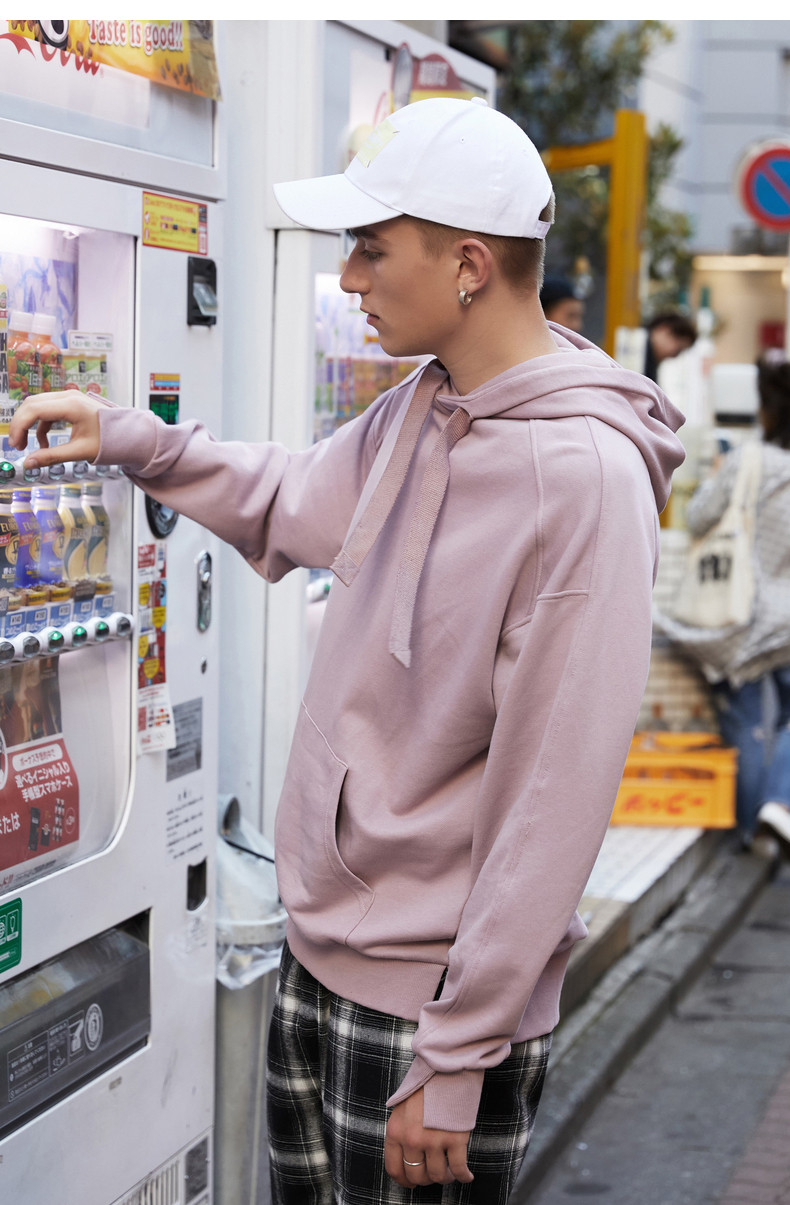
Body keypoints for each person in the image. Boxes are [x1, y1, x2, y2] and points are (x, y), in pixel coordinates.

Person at [9, 97, 685, 1204]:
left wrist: (459, 1053)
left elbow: (551, 800)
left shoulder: (584, 482)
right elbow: (289, 498)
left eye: (372, 249)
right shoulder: (422, 407)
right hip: (319, 958)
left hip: (433, 1013)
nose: (351, 279)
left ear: (468, 263)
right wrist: (132, 438)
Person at [659, 353, 790, 855]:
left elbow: (695, 517)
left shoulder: (751, 460)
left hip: (747, 618)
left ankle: (751, 832)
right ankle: (777, 806)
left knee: (747, 720)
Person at [642, 311, 697, 382]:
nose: (675, 355)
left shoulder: (651, 362)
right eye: (678, 349)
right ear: (664, 329)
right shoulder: (637, 347)